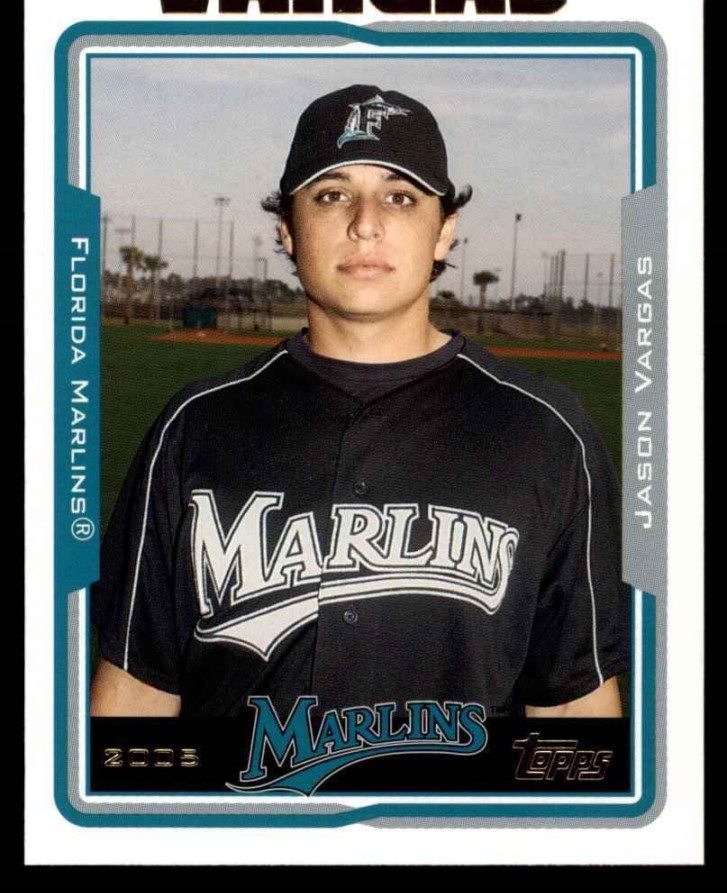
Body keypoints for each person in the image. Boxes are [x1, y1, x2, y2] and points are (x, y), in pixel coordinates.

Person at [91, 84, 629, 719]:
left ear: (444, 231)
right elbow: (136, 692)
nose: (365, 223)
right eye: (332, 194)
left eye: (400, 197)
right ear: (288, 231)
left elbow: (571, 707)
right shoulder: (195, 427)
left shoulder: (548, 433)